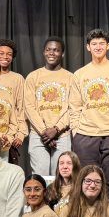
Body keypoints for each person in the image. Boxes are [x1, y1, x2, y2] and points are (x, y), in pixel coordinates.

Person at [69, 29, 109, 200]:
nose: (98, 47)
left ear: (108, 46)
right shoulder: (80, 74)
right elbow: (74, 106)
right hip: (85, 135)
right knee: (87, 182)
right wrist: (75, 131)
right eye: (94, 44)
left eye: (102, 43)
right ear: (88, 47)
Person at [24, 37, 74, 177]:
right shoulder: (33, 77)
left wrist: (56, 129)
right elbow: (29, 107)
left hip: (62, 135)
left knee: (61, 176)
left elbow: (73, 108)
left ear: (62, 54)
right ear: (44, 52)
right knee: (41, 176)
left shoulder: (70, 78)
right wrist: (44, 132)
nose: (52, 53)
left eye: (56, 50)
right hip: (38, 135)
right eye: (48, 50)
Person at [0, 38, 26, 164]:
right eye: (1, 53)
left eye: (9, 54)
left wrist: (20, 134)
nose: (5, 56)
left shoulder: (17, 79)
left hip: (10, 136)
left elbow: (21, 108)